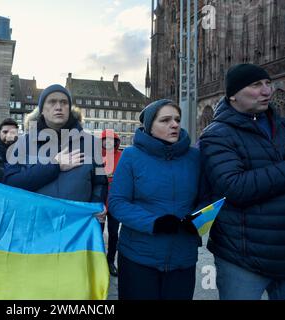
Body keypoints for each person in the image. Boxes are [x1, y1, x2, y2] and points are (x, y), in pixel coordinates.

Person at [199, 63, 285, 300]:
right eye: (256, 85)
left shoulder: (281, 126)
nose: (267, 90)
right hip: (243, 257)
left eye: (268, 83)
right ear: (233, 95)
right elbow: (235, 188)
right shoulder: (217, 134)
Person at [108, 99, 201, 300]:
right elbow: (117, 202)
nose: (174, 124)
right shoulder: (131, 155)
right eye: (165, 120)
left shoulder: (194, 157)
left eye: (177, 119)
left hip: (182, 257)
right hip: (139, 257)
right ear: (150, 127)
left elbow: (207, 197)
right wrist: (154, 223)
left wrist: (198, 219)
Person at [4, 84, 107, 213]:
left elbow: (100, 183)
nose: (58, 107)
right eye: (52, 102)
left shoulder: (90, 142)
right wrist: (55, 165)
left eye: (64, 102)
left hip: (76, 225)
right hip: (37, 224)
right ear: (41, 109)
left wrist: (97, 204)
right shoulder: (23, 142)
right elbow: (11, 183)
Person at [101, 129, 122, 277]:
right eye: (105, 140)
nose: (108, 143)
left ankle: (110, 261)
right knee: (97, 233)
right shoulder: (95, 157)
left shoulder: (122, 156)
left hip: (115, 203)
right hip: (100, 204)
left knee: (114, 234)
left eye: (111, 141)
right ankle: (99, 262)